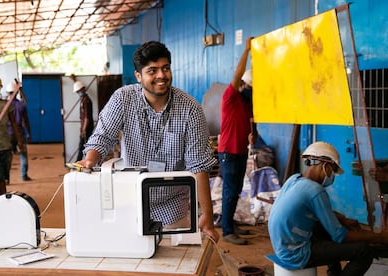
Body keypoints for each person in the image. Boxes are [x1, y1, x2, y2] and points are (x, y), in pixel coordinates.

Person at [77, 41, 219, 242]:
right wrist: (90, 159)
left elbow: (199, 166)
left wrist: (207, 214)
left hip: (174, 209)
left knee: (174, 269)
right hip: (130, 204)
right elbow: (103, 136)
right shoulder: (123, 99)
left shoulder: (190, 109)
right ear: (138, 76)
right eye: (152, 70)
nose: (161, 75)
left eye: (165, 68)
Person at [268, 141, 388, 275]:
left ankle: (334, 273)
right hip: (297, 254)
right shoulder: (315, 190)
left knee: (326, 228)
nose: (332, 176)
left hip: (283, 246)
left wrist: (344, 220)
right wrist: (379, 237)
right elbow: (340, 236)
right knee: (363, 251)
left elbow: (323, 212)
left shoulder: (294, 179)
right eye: (333, 170)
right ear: (325, 165)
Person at [218, 37, 261, 245]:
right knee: (229, 191)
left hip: (241, 151)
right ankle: (227, 232)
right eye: (248, 87)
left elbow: (254, 127)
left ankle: (230, 224)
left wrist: (254, 134)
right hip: (228, 151)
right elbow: (237, 74)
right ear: (243, 85)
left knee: (234, 191)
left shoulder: (247, 104)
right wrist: (247, 51)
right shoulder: (230, 97)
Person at [6, 81, 32, 181]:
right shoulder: (22, 105)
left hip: (8, 134)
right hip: (20, 133)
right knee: (23, 154)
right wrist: (29, 133)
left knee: (7, 156)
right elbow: (26, 121)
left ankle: (6, 178)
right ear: (16, 93)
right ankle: (24, 175)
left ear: (8, 93)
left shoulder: (5, 106)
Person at [73, 80, 94, 162]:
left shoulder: (86, 101)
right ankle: (81, 161)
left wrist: (84, 130)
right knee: (83, 146)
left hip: (87, 128)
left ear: (82, 89)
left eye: (78, 91)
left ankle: (79, 162)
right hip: (84, 127)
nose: (78, 93)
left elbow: (87, 117)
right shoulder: (83, 99)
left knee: (83, 146)